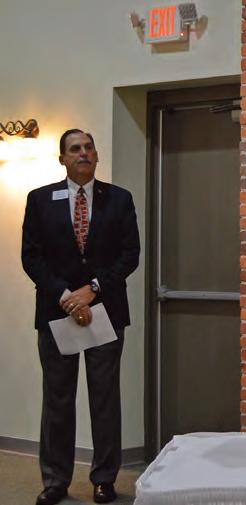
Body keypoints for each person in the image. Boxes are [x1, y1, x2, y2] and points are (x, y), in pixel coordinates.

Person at [21, 129, 140, 505]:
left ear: (97, 155)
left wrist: (93, 289)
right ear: (63, 159)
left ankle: (104, 479)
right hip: (57, 313)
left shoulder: (119, 199)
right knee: (57, 400)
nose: (83, 153)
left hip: (106, 310)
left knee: (105, 399)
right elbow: (31, 257)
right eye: (75, 149)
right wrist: (66, 296)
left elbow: (130, 254)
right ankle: (55, 481)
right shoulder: (40, 200)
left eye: (89, 147)